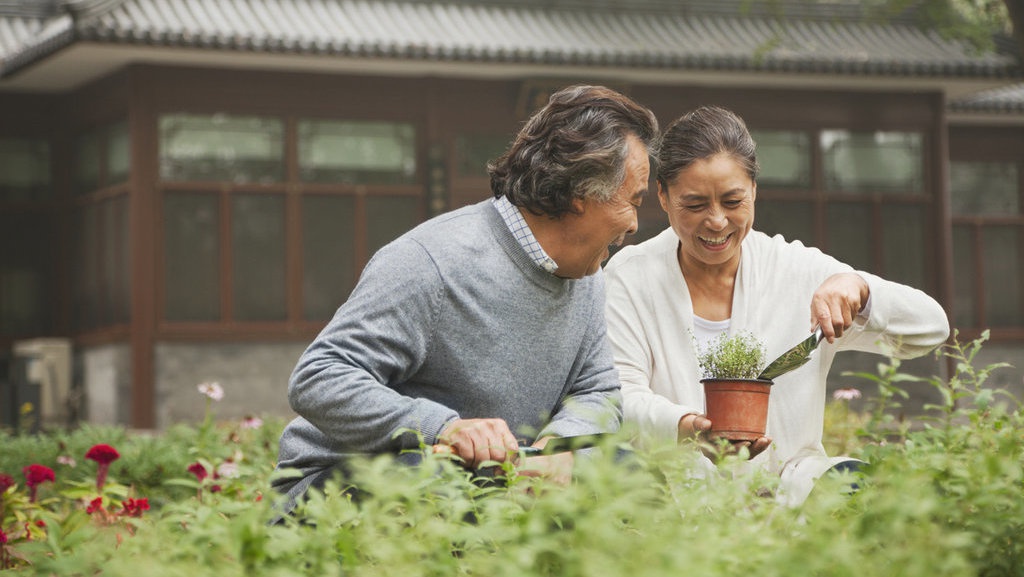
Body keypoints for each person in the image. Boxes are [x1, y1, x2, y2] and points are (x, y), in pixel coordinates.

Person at [272, 85, 659, 511]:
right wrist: (445, 428)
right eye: (633, 201)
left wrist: (561, 448)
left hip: (497, 479)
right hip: (346, 481)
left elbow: (598, 389)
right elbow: (319, 378)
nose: (635, 224)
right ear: (580, 195)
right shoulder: (432, 261)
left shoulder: (587, 276)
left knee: (634, 478)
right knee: (450, 485)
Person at [603, 105, 950, 506]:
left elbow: (932, 328)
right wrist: (688, 427)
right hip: (673, 489)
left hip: (789, 488)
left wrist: (860, 289)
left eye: (733, 201)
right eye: (695, 205)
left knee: (859, 486)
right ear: (662, 197)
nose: (716, 222)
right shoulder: (632, 276)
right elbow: (618, 396)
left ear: (754, 190)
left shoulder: (797, 271)